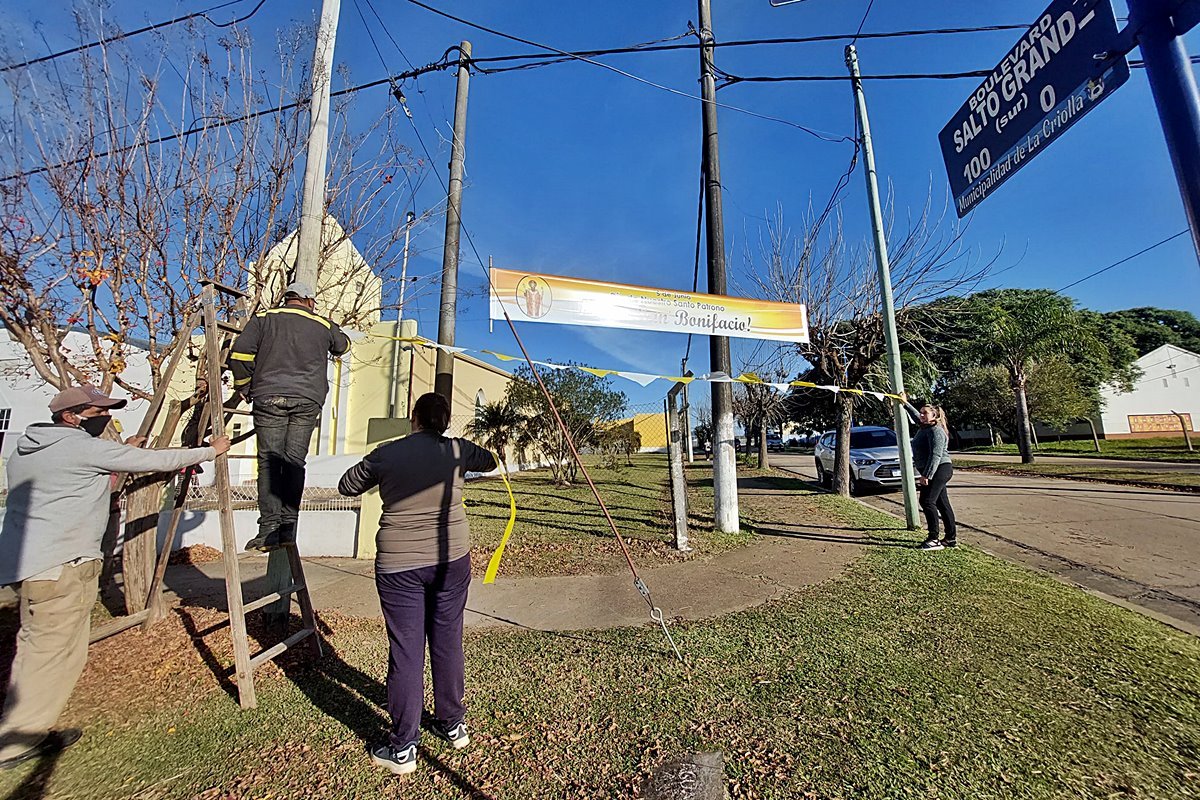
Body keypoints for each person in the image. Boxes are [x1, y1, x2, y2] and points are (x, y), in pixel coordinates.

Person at [0, 384, 229, 769]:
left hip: (29, 568)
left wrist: (123, 452)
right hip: (64, 567)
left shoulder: (25, 450)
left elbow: (88, 476)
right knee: (54, 655)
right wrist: (211, 450)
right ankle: (17, 742)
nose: (105, 418)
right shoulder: (83, 448)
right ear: (72, 417)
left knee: (34, 647)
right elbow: (157, 461)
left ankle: (23, 728)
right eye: (97, 413)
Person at [337, 392, 496, 775]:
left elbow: (347, 485)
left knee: (406, 650)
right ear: (444, 420)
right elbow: (489, 461)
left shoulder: (387, 453)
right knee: (448, 639)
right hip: (451, 560)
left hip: (399, 566)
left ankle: (404, 746)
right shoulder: (458, 451)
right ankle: (453, 724)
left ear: (414, 418)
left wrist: (384, 472)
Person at [229, 281, 350, 551]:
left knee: (269, 463)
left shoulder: (264, 318)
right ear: (308, 300)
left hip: (268, 395)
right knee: (294, 462)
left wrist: (245, 387)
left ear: (287, 298)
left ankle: (268, 528)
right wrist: (332, 325)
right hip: (307, 399)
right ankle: (288, 528)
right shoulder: (321, 324)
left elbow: (238, 355)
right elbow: (343, 347)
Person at [900, 393, 957, 551]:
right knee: (942, 503)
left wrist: (927, 475)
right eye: (921, 413)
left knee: (926, 501)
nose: (922, 415)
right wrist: (905, 404)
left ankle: (934, 539)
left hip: (940, 468)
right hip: (934, 469)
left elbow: (936, 455)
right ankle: (950, 538)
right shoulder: (925, 427)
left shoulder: (935, 431)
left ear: (935, 416)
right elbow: (915, 415)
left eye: (925, 413)